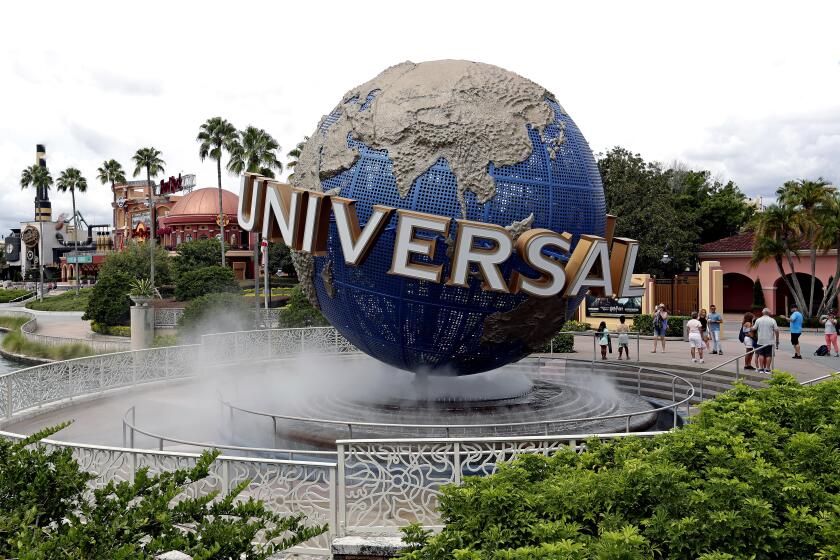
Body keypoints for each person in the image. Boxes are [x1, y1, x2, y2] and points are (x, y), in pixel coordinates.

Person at [752, 308, 780, 374]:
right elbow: (776, 330)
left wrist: (749, 326)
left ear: (762, 313)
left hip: (760, 340)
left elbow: (754, 328)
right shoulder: (772, 320)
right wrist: (777, 339)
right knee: (768, 355)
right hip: (769, 341)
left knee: (761, 354)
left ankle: (761, 369)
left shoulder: (758, 320)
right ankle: (767, 369)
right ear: (769, 313)